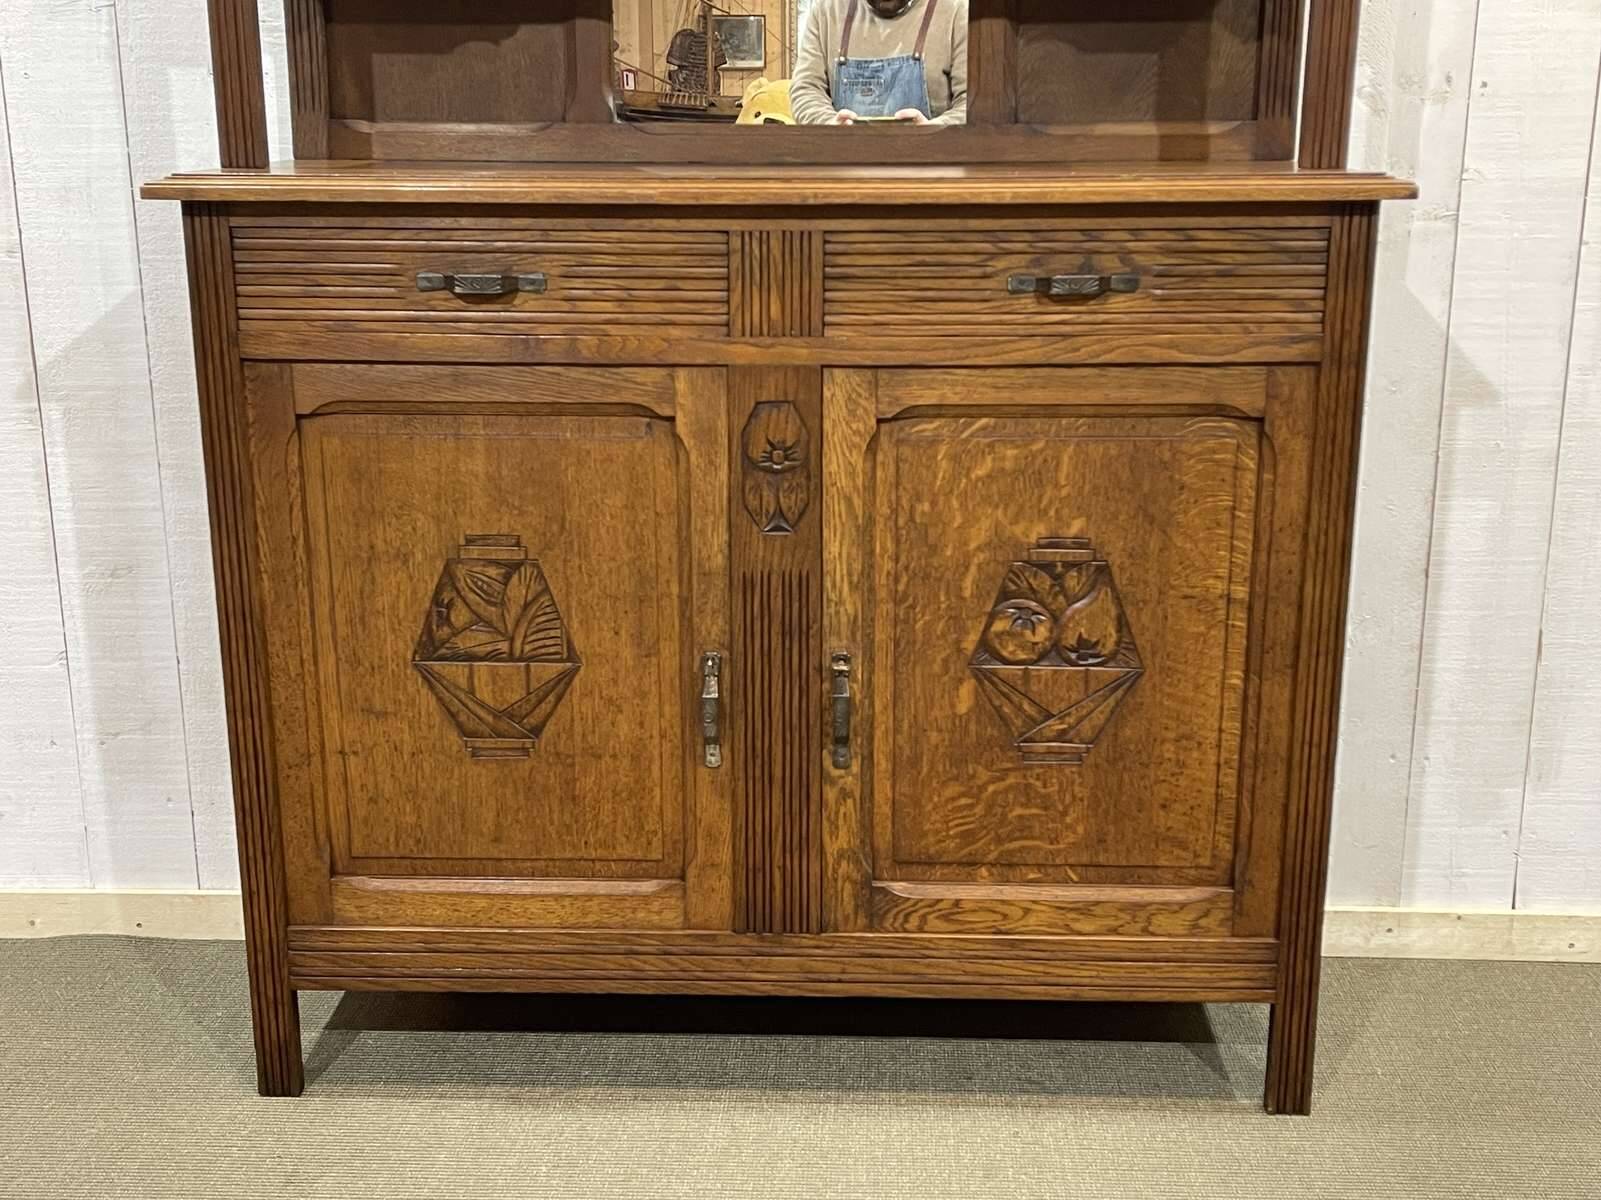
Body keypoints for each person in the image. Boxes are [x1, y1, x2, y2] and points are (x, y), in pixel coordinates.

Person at [790, 0, 968, 126]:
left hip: (931, 162)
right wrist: (830, 125)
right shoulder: (827, 11)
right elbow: (807, 89)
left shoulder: (957, 11)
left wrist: (934, 132)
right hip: (845, 161)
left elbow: (972, 105)